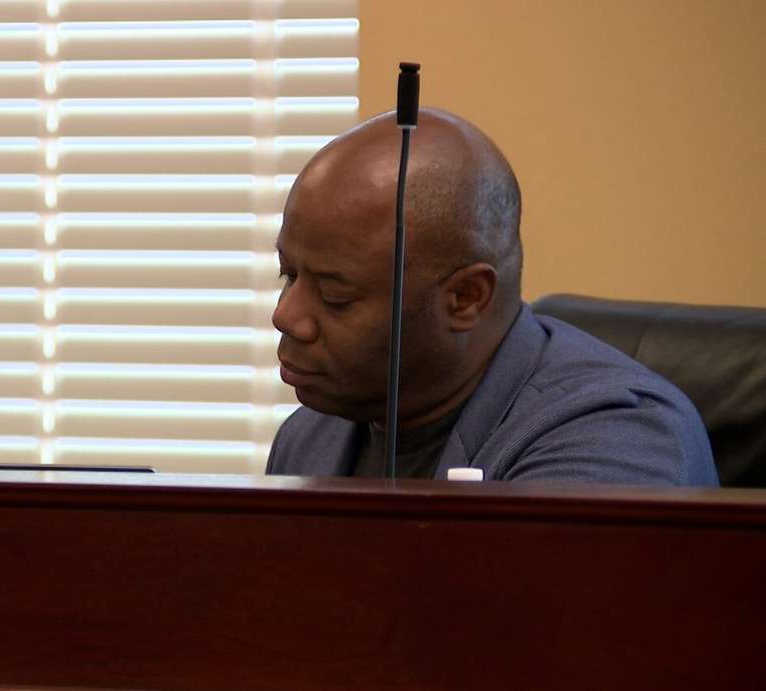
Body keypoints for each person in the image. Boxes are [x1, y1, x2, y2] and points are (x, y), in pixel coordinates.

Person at [266, 108, 717, 485]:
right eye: (289, 274)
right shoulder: (308, 438)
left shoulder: (619, 439)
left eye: (335, 294)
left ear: (466, 297)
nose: (286, 315)